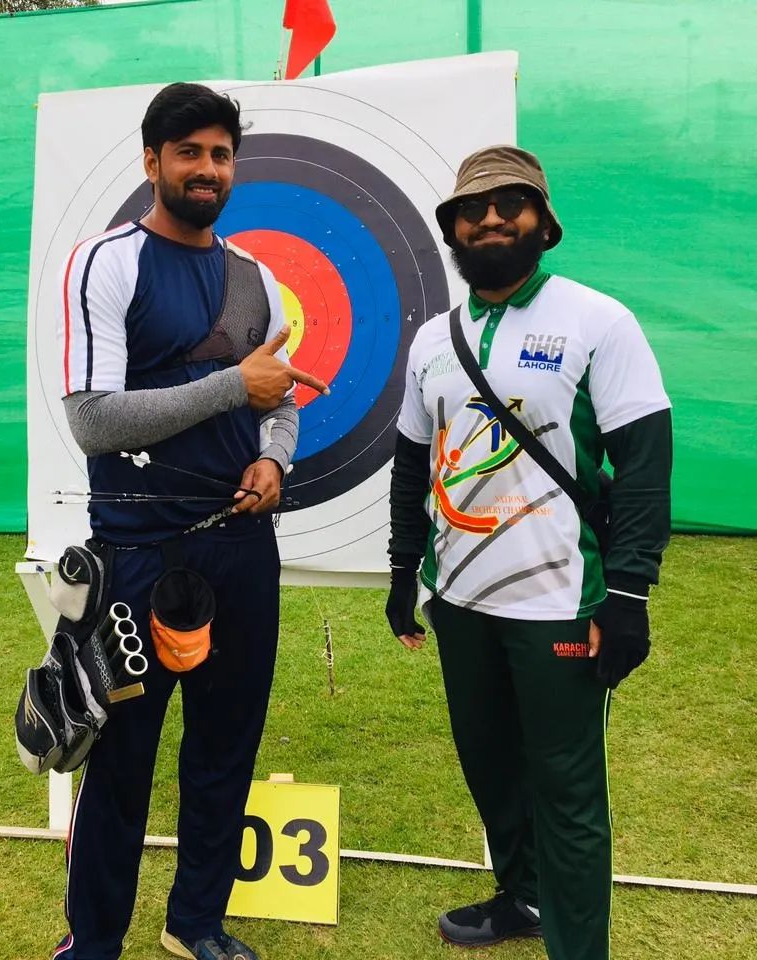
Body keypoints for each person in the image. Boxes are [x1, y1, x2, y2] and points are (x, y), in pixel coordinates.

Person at [53, 82, 328, 960]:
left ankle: (196, 922)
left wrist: (273, 458)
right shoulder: (106, 262)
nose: (207, 169)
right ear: (152, 162)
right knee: (121, 758)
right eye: (189, 153)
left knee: (226, 745)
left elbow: (280, 397)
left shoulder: (255, 278)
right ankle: (93, 943)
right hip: (137, 552)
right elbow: (93, 419)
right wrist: (231, 386)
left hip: (241, 548)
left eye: (220, 154)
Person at [386, 145, 672, 960]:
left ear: (544, 224)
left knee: (566, 789)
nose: (489, 219)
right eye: (471, 210)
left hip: (560, 603)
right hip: (460, 599)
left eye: (509, 204)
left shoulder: (598, 321)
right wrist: (403, 571)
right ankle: (523, 897)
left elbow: (644, 464)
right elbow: (412, 464)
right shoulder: (433, 340)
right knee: (489, 766)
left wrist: (630, 595)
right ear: (453, 231)